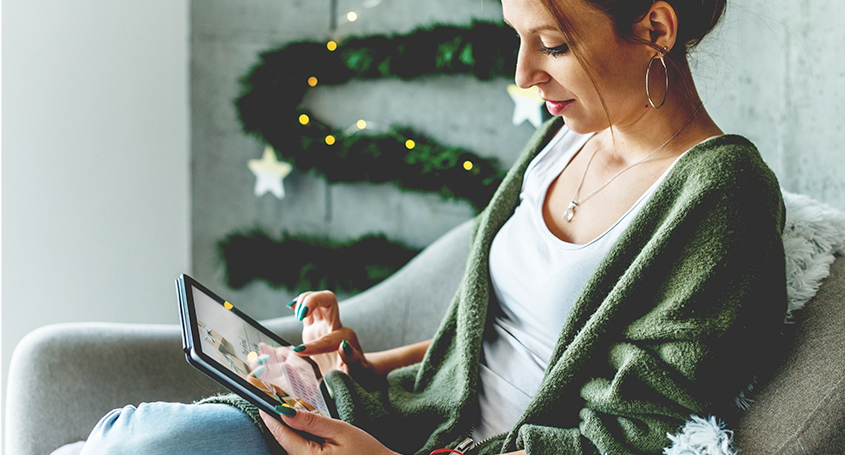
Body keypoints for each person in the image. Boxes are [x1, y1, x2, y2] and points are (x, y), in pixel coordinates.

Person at [79, 0, 786, 453]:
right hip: (395, 422)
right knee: (129, 438)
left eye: (552, 44)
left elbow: (627, 434)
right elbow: (506, 334)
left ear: (655, 28)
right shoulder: (568, 134)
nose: (523, 73)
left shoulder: (720, 196)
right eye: (518, 39)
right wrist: (352, 366)